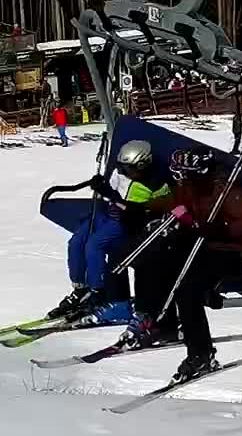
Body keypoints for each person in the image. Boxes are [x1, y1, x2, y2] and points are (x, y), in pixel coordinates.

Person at [126, 145, 242, 382]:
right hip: (200, 245)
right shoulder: (189, 187)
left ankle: (201, 353)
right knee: (154, 263)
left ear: (199, 172)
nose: (181, 178)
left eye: (185, 173)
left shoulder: (225, 190)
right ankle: (161, 323)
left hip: (228, 252)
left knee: (187, 290)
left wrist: (221, 230)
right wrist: (136, 207)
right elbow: (170, 201)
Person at [52, 140, 172, 327]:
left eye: (129, 168)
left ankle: (98, 292)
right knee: (76, 242)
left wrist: (109, 193)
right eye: (122, 167)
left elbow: (135, 211)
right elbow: (111, 189)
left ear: (143, 165)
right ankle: (80, 288)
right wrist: (101, 185)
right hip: (106, 214)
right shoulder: (121, 171)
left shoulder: (153, 184)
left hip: (126, 222)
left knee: (95, 245)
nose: (124, 171)